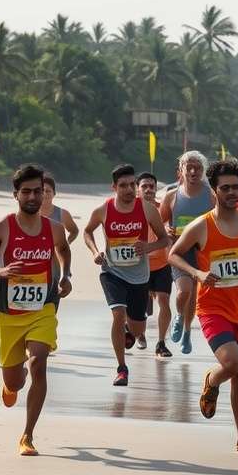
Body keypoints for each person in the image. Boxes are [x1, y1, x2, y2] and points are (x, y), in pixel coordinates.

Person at [168, 159, 238, 456]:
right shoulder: (201, 226)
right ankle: (211, 380)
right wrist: (198, 273)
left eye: (235, 187)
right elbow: (174, 256)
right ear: (214, 191)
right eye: (224, 188)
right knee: (231, 364)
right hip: (213, 309)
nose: (231, 192)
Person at [0, 164, 72, 455]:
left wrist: (65, 276)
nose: (33, 197)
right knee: (14, 381)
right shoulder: (3, 227)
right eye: (26, 192)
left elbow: (64, 250)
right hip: (10, 315)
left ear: (44, 194)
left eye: (38, 192)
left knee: (39, 362)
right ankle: (11, 385)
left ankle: (27, 435)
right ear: (15, 194)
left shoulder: (54, 228)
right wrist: (0, 272)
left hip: (43, 309)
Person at [84, 164, 170, 386]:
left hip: (139, 277)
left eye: (132, 185)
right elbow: (87, 231)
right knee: (118, 314)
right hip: (112, 272)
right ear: (114, 187)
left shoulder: (147, 209)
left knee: (138, 328)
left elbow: (164, 239)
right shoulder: (104, 209)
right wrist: (95, 252)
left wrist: (148, 248)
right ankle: (122, 368)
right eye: (123, 186)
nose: (129, 189)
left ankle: (129, 332)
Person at [160, 151, 214, 354]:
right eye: (189, 167)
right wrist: (166, 227)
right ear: (181, 170)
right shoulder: (172, 196)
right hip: (179, 251)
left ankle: (188, 332)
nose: (193, 171)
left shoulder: (211, 196)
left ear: (203, 171)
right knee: (184, 291)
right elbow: (161, 220)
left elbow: (218, 220)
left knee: (193, 297)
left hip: (201, 251)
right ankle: (179, 317)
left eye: (198, 168)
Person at [137, 171, 173, 357]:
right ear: (138, 189)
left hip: (162, 264)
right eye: (144, 186)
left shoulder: (162, 209)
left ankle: (161, 343)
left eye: (152, 186)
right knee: (139, 305)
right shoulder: (131, 210)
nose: (149, 189)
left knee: (164, 301)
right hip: (138, 265)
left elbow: (170, 229)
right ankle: (139, 333)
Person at [40, 173, 79, 243]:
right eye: (42, 191)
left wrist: (65, 244)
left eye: (48, 191)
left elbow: (74, 231)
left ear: (54, 193)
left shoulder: (62, 214)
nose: (45, 194)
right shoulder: (29, 213)